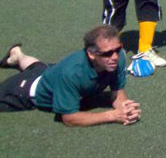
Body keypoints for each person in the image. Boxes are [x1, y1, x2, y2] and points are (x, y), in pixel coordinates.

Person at [0, 26, 140, 126]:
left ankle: (18, 55)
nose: (115, 56)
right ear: (91, 54)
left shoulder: (117, 58)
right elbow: (69, 118)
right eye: (107, 53)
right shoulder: (71, 73)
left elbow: (118, 92)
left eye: (118, 49)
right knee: (35, 73)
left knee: (38, 67)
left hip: (49, 73)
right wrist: (112, 115)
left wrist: (125, 109)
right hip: (24, 91)